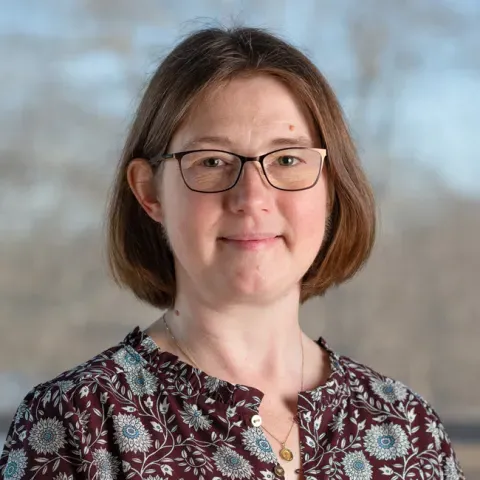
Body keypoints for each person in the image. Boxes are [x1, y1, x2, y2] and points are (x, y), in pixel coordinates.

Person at [0, 26, 464, 480]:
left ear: (330, 188)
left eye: (287, 159)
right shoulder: (77, 425)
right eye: (212, 162)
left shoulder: (407, 428)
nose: (252, 196)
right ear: (150, 193)